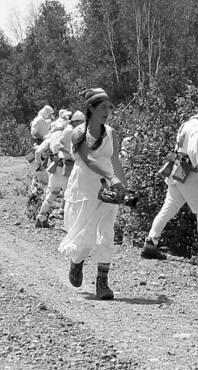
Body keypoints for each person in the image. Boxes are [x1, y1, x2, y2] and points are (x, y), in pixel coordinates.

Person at [58, 88, 127, 300]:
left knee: (106, 233)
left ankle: (102, 283)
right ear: (91, 108)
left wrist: (122, 184)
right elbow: (88, 160)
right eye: (103, 107)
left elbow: (114, 159)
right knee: (84, 238)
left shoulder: (111, 133)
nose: (108, 111)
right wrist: (110, 176)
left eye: (109, 107)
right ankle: (77, 262)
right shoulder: (78, 133)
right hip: (85, 189)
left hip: (107, 189)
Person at [141, 102, 198, 261]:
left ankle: (150, 242)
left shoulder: (188, 123)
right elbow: (193, 148)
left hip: (177, 169)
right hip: (189, 172)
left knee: (169, 207)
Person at [35, 112, 72, 227]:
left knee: (52, 193)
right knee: (70, 195)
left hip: (55, 168)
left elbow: (38, 152)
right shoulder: (68, 134)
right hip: (68, 167)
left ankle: (41, 216)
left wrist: (39, 166)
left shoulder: (51, 136)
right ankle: (69, 223)